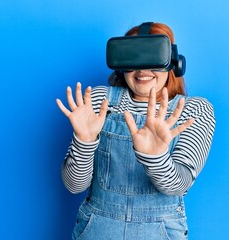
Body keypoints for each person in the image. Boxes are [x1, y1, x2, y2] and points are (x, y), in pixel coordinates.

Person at [56, 22, 215, 240]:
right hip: (96, 230)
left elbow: (179, 185)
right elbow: (74, 186)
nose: (142, 70)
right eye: (133, 57)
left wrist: (155, 156)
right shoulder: (97, 101)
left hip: (160, 232)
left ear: (173, 62)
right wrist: (84, 140)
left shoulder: (193, 110)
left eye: (153, 57)